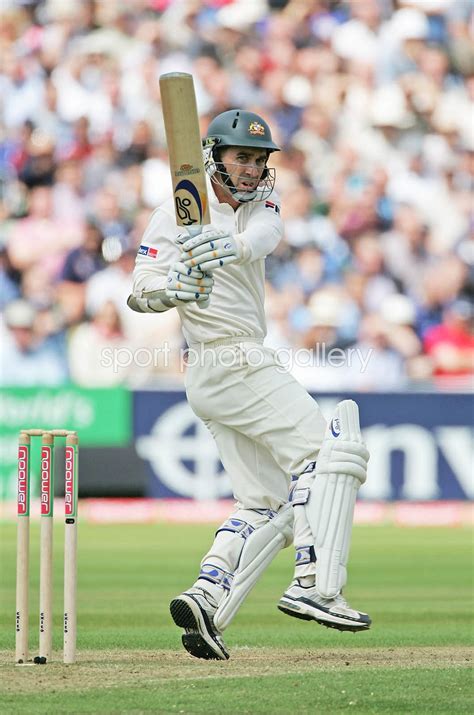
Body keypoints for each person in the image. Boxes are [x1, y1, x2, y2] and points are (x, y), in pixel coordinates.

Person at [128, 109, 371, 660]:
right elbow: (138, 288)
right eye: (242, 156)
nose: (253, 168)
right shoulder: (172, 213)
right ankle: (316, 586)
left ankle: (207, 597)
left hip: (223, 370)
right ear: (215, 154)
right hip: (230, 358)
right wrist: (172, 289)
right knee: (326, 455)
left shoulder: (262, 202)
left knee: (264, 505)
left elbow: (265, 235)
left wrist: (225, 247)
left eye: (259, 159)